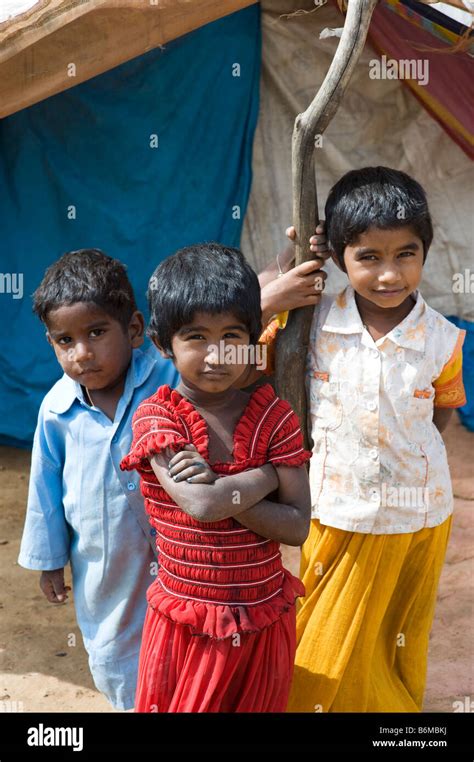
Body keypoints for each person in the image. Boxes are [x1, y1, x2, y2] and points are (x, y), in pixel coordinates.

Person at [18, 235, 327, 711]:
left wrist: (286, 261)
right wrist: (268, 474)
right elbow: (47, 489)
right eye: (66, 341)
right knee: (120, 653)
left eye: (97, 333)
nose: (83, 353)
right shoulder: (92, 410)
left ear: (137, 331)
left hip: (236, 598)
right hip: (113, 561)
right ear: (167, 343)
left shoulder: (180, 383)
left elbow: (228, 314)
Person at [286, 166, 467, 712]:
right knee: (319, 650)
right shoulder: (310, 321)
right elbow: (252, 331)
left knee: (392, 641)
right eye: (368, 257)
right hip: (335, 511)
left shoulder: (442, 338)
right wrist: (294, 256)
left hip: (418, 516)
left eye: (405, 254)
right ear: (340, 256)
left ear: (425, 252)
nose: (389, 274)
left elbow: (440, 414)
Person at [120, 242, 314, 712]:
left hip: (263, 616)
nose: (217, 355)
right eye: (197, 337)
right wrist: (269, 473)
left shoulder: (275, 416)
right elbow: (203, 507)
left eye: (232, 336)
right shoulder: (159, 417)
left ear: (253, 337)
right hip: (190, 623)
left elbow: (297, 527)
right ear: (164, 343)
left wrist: (226, 485)